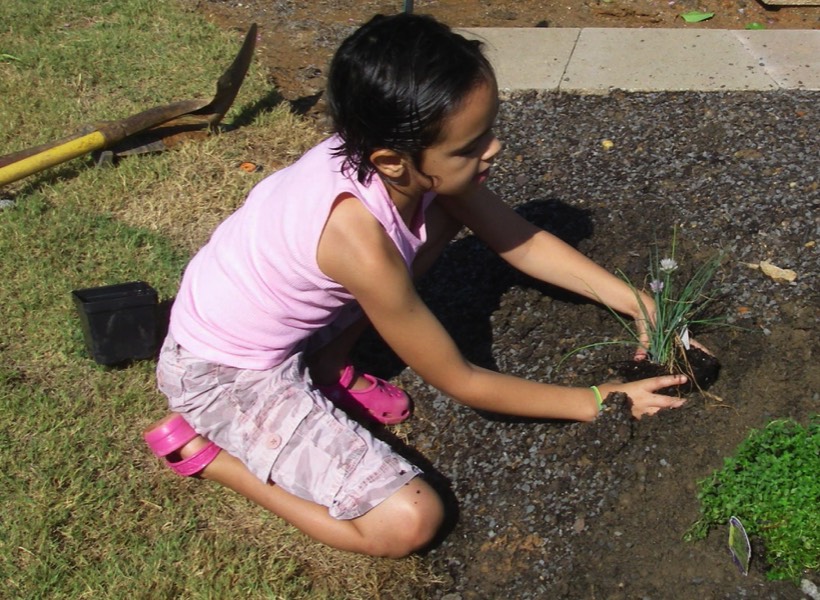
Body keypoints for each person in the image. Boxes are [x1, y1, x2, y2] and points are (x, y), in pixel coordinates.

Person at [143, 12, 689, 558]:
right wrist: (599, 401)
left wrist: (632, 300)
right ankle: (207, 453)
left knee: (451, 208)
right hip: (223, 373)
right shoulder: (355, 240)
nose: (492, 150)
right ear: (393, 160)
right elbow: (464, 380)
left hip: (280, 319)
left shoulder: (386, 147)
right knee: (409, 521)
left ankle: (328, 367)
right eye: (469, 147)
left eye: (489, 132)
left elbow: (518, 239)